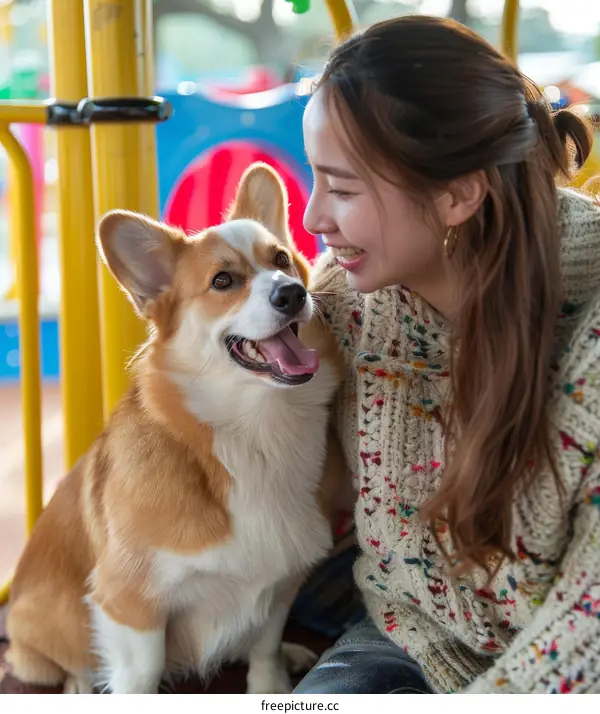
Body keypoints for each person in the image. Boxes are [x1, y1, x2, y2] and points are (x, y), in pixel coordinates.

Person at [292, 15, 600, 694]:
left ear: (458, 193)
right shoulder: (343, 305)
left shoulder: (587, 330)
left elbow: (587, 632)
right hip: (408, 634)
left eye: (341, 189)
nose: (314, 218)